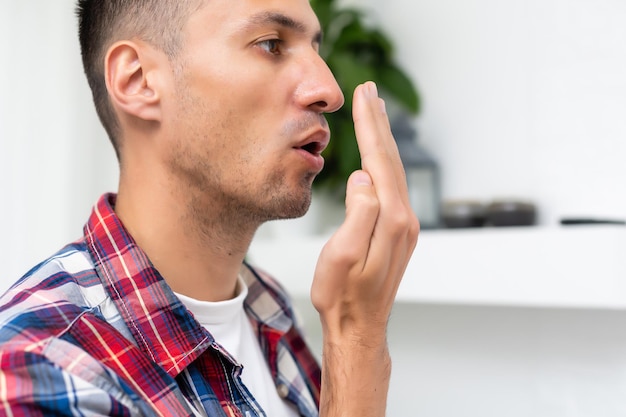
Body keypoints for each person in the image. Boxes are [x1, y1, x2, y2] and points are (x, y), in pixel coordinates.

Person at [0, 0, 419, 415]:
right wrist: (357, 342)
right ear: (138, 79)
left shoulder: (268, 307)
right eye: (272, 44)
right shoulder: (37, 367)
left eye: (316, 50)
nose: (328, 90)